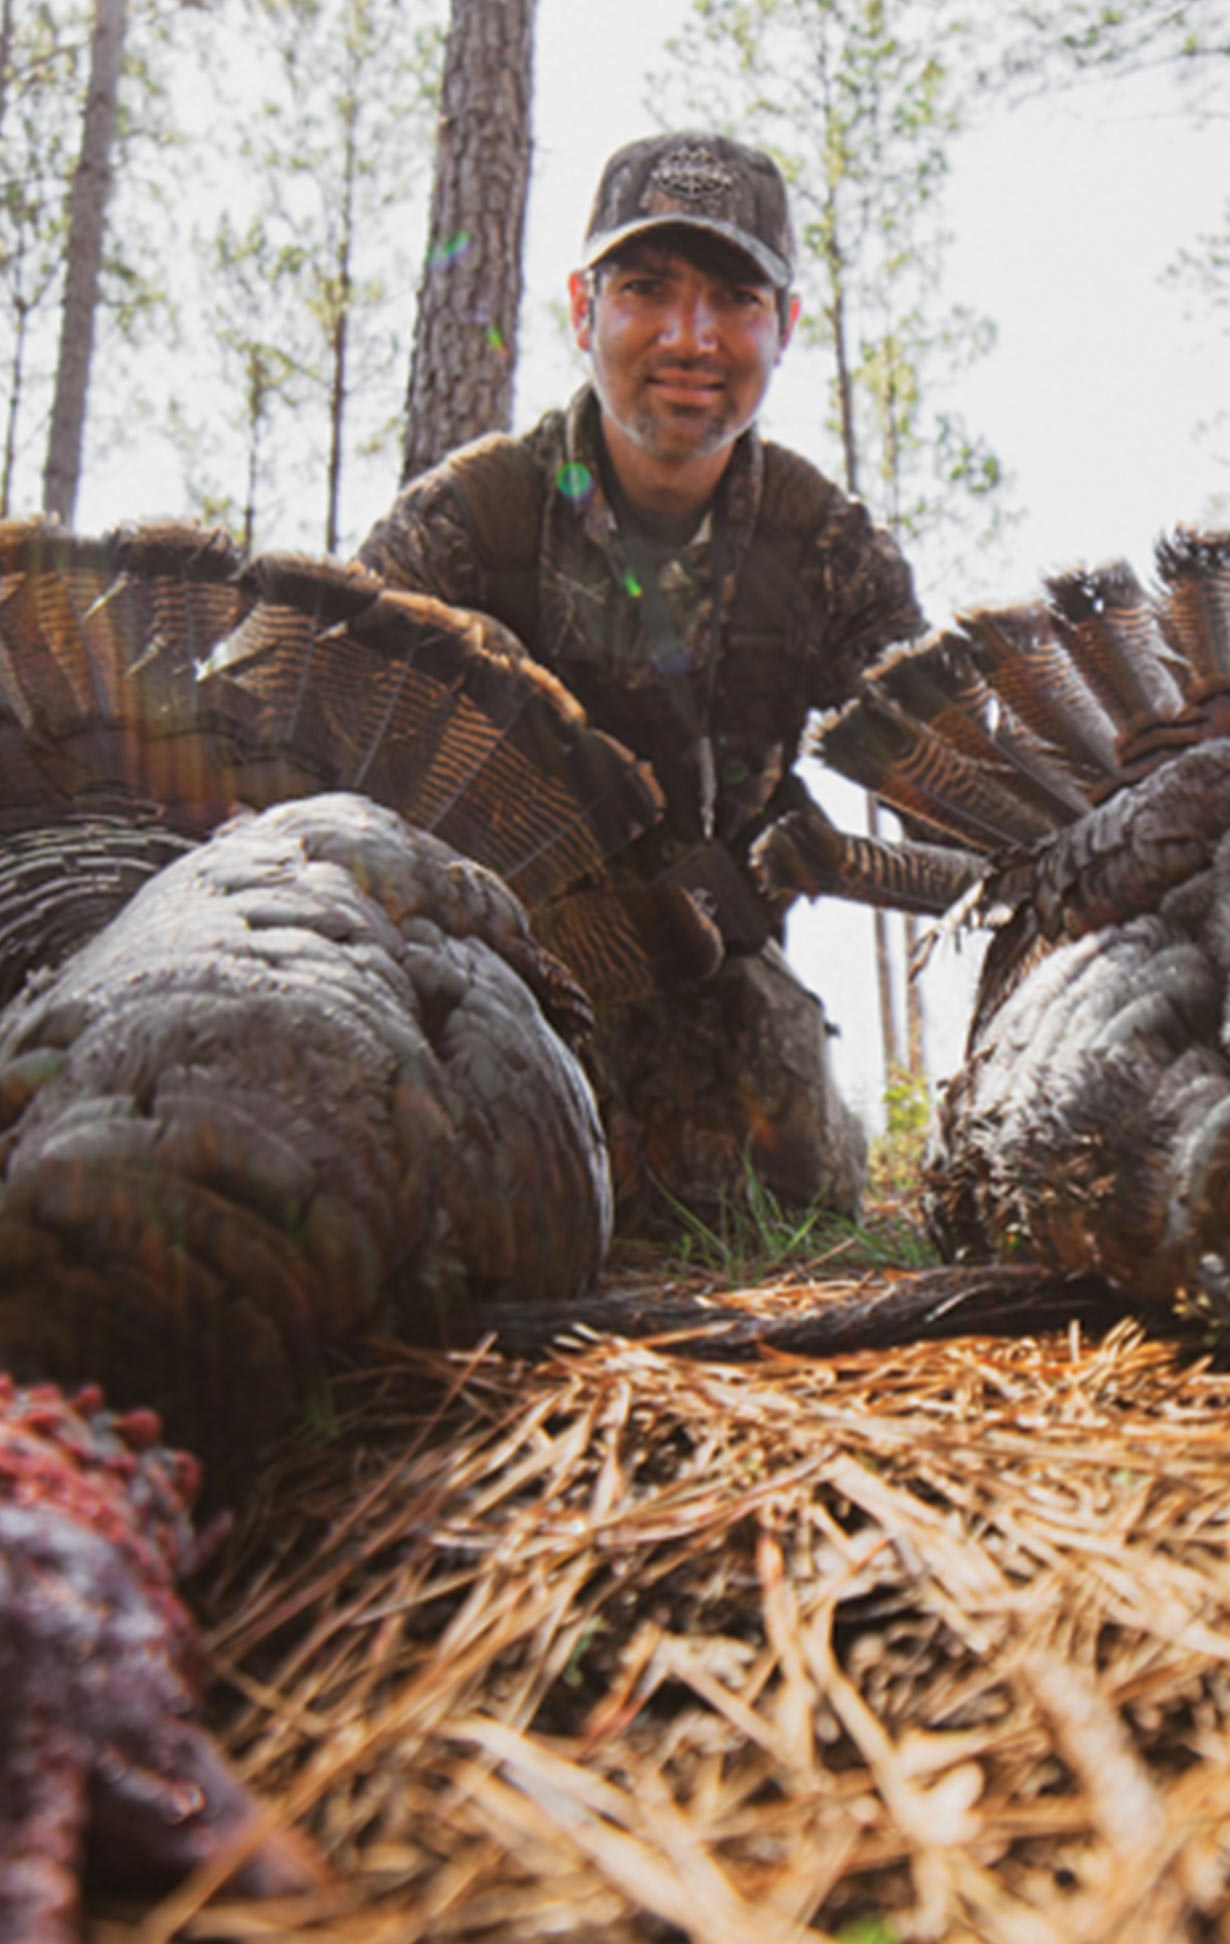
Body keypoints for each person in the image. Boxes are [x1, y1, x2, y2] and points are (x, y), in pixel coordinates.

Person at [361, 130, 925, 1236]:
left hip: (707, 991)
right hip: (478, 977)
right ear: (583, 310)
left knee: (789, 1187)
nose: (690, 338)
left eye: (734, 297)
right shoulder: (469, 525)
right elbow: (297, 761)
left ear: (785, 325)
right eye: (646, 289)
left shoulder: (830, 552)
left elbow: (958, 778)